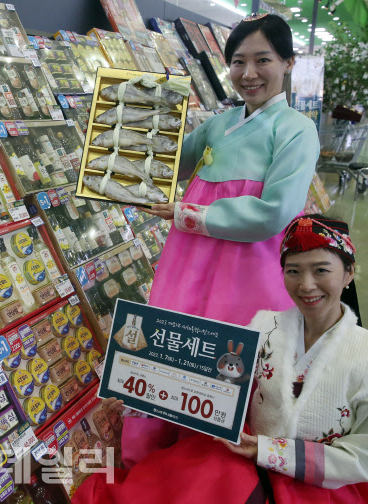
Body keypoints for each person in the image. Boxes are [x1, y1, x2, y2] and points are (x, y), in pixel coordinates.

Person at [73, 215, 368, 504]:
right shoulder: (265, 326)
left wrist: (268, 452)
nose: (306, 285)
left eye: (321, 271)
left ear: (349, 272)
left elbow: (363, 455)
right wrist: (139, 397)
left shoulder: (363, 353)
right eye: (293, 271)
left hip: (318, 485)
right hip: (241, 461)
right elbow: (208, 392)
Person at [145, 13, 319, 327]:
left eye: (262, 60)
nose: (249, 74)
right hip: (188, 259)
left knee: (232, 352)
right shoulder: (218, 124)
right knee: (178, 340)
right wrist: (130, 120)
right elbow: (166, 164)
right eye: (238, 62)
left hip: (248, 268)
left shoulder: (297, 130)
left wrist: (191, 215)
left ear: (288, 63)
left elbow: (273, 213)